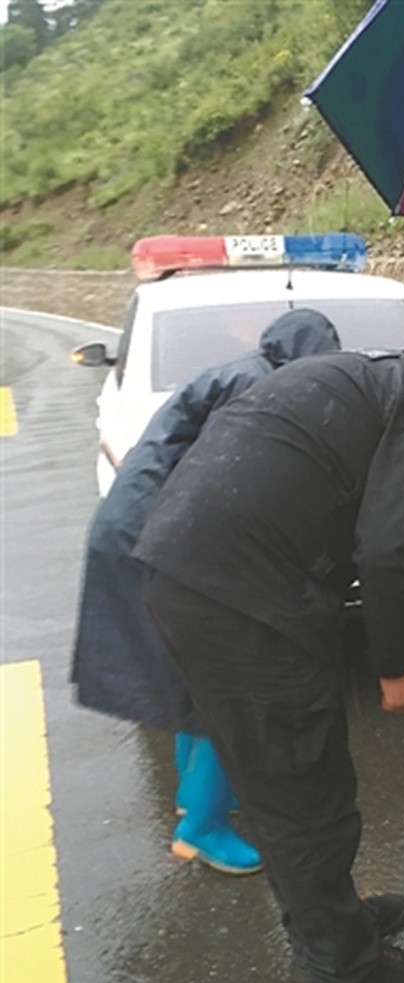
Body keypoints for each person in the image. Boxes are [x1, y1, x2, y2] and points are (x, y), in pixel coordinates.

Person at [133, 333, 404, 983]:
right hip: (244, 596)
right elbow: (390, 548)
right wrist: (396, 665)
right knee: (305, 786)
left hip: (183, 570)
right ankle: (349, 971)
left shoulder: (356, 375)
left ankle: (334, 923)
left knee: (272, 777)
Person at [71, 309, 342, 875]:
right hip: (160, 539)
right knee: (230, 682)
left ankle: (198, 796)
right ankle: (201, 826)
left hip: (138, 527)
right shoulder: (261, 389)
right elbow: (241, 481)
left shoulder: (242, 370)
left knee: (188, 675)